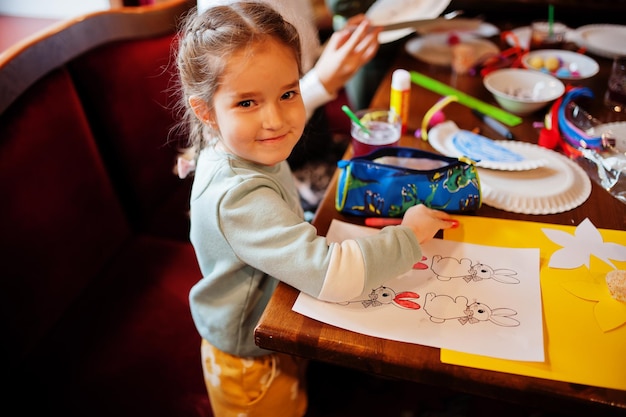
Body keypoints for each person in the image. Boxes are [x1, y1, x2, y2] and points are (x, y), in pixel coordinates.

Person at [175, 2, 457, 416]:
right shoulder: (238, 195)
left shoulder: (246, 146)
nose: (275, 119)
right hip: (252, 362)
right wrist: (410, 234)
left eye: (287, 93)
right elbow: (332, 275)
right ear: (206, 112)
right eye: (247, 103)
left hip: (275, 322)